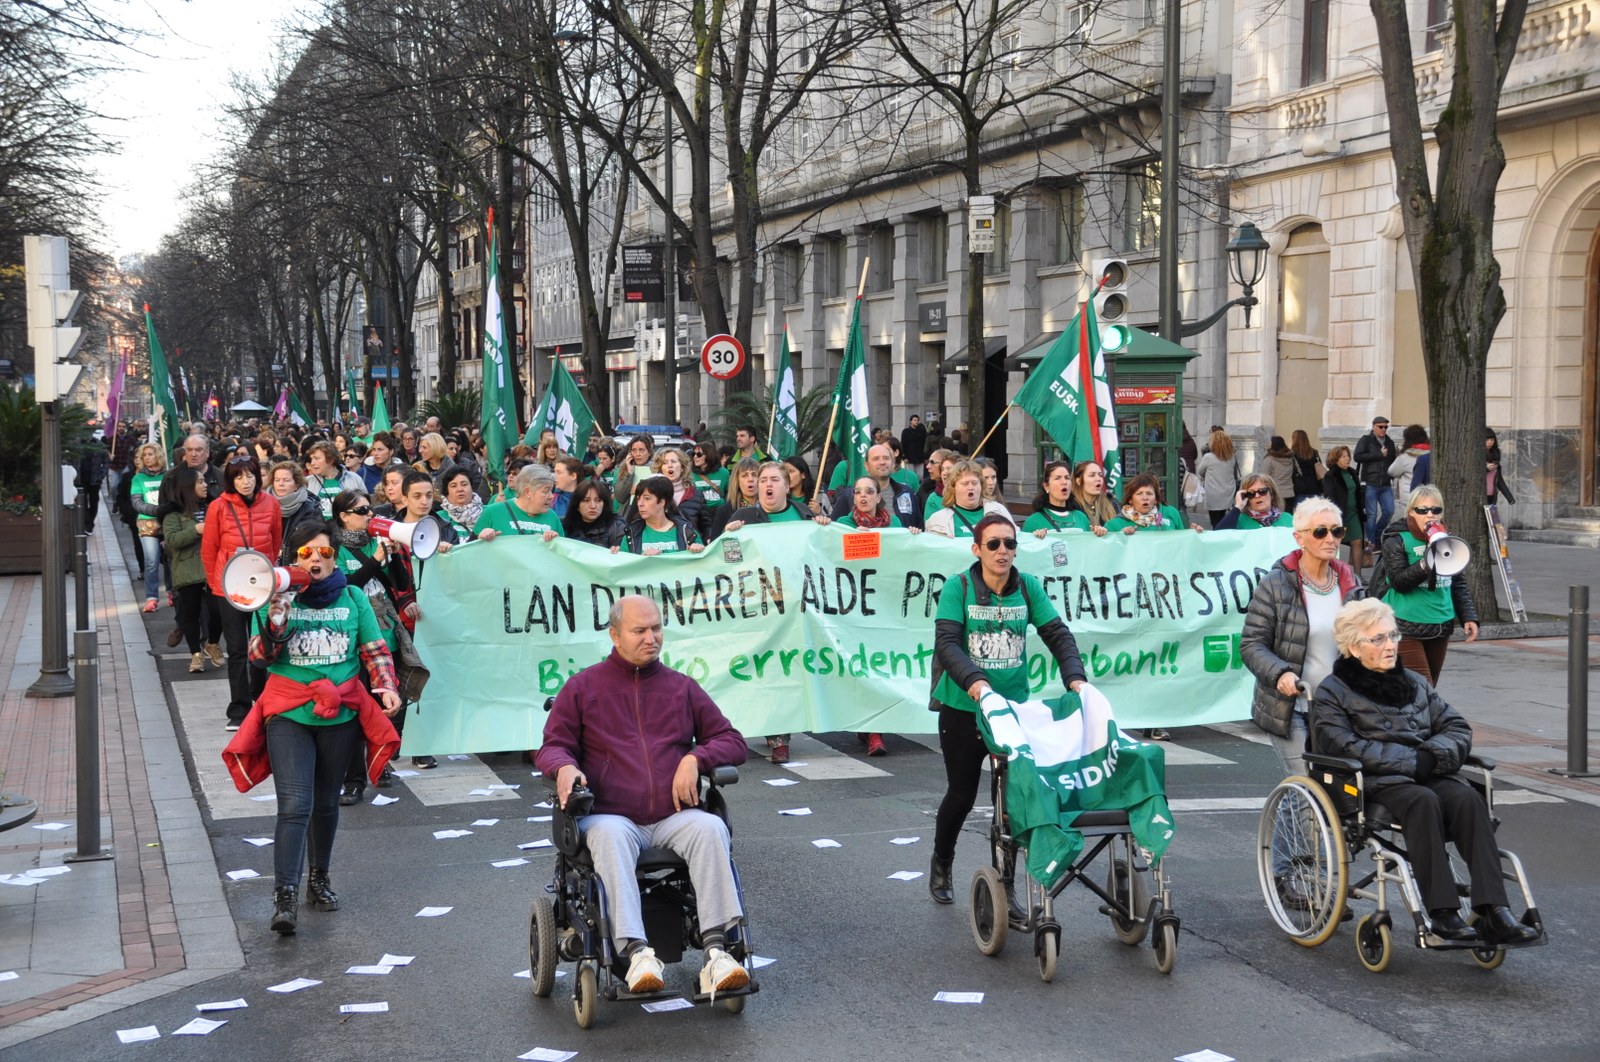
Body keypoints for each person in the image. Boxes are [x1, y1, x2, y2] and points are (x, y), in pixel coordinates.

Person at [536, 595, 752, 996]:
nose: (651, 638)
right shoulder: (583, 688)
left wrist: (696, 758)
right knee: (611, 836)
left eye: (656, 628)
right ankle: (637, 955)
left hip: (673, 815)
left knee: (710, 829)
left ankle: (718, 953)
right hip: (611, 814)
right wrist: (563, 766)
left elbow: (732, 740)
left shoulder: (681, 688)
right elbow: (552, 747)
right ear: (615, 635)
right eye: (640, 630)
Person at [1309, 599, 1538, 946]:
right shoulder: (1332, 691)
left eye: (1392, 636)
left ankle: (1494, 910)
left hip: (1426, 771)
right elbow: (1345, 747)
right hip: (1373, 781)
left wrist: (1433, 756)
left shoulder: (1415, 683)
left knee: (1468, 798)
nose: (1390, 645)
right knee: (1422, 801)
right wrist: (1413, 762)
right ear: (1354, 647)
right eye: (1378, 639)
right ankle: (1443, 913)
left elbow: (1456, 727)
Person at [227, 522, 403, 934]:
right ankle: (284, 895)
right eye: (306, 553)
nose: (316, 560)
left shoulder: (353, 597)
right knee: (295, 804)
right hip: (288, 713)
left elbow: (374, 649)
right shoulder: (272, 593)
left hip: (339, 716)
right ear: (293, 557)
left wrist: (386, 686)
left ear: (335, 558)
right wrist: (279, 613)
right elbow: (260, 657)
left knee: (325, 803)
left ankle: (318, 879)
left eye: (324, 552)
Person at [929, 513, 1087, 910]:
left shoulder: (1028, 587)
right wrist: (977, 683)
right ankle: (942, 861)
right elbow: (947, 643)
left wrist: (1075, 679)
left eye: (1010, 544)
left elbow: (1057, 635)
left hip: (1012, 712)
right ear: (977, 549)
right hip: (964, 709)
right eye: (994, 544)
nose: (1003, 551)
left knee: (1010, 803)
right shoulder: (958, 587)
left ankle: (1006, 884)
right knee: (961, 795)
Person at [1241, 498, 1362, 909]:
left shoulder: (1349, 580)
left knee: (1323, 790)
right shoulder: (1277, 585)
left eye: (1337, 531)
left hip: (1338, 709)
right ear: (1300, 538)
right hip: (1290, 705)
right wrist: (1281, 673)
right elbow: (1251, 644)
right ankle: (1308, 878)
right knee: (1306, 785)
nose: (1331, 539)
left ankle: (1295, 870)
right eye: (1320, 531)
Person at [330, 490, 419, 801]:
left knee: (386, 706)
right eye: (361, 510)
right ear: (343, 516)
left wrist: (392, 556)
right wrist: (376, 559)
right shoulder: (334, 547)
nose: (370, 514)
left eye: (370, 508)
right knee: (355, 710)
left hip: (386, 635)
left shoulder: (377, 541)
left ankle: (380, 764)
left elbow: (402, 583)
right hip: (354, 640)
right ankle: (353, 780)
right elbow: (345, 587)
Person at [202, 455, 284, 731]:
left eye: (249, 475)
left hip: (261, 585)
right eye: (238, 476)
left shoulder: (271, 503)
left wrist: (266, 573)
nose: (245, 481)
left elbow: (275, 542)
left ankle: (261, 700)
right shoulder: (218, 507)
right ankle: (238, 708)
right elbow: (209, 549)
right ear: (230, 480)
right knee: (236, 648)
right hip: (229, 587)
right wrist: (216, 584)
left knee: (261, 645)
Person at [1377, 485, 1479, 685]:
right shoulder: (1396, 539)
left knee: (1427, 689)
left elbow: (1457, 582)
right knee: (1422, 687)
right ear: (1411, 512)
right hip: (1405, 623)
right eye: (1422, 510)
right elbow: (1399, 582)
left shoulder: (1449, 539)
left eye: (1436, 509)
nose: (1430, 515)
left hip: (1440, 622)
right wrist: (1426, 563)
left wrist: (1469, 616)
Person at [160, 466, 222, 674]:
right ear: (187, 486)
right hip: (187, 569)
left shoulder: (214, 507)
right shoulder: (173, 514)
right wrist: (196, 529)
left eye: (205, 481)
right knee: (190, 613)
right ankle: (195, 653)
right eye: (200, 482)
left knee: (218, 611)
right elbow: (172, 540)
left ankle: (212, 643)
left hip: (213, 568)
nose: (205, 485)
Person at [828, 443, 922, 529]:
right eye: (876, 459)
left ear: (892, 463)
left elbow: (919, 527)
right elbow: (834, 530)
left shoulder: (906, 492)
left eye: (886, 458)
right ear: (866, 465)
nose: (882, 462)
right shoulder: (848, 496)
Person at [617, 476, 705, 555]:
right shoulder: (632, 533)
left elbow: (701, 564)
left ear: (662, 502)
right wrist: (642, 559)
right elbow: (625, 565)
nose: (640, 504)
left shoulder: (686, 531)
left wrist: (698, 551)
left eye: (647, 498)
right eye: (638, 499)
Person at [924, 459, 1012, 538]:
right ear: (953, 487)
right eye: (965, 484)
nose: (971, 487)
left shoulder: (999, 510)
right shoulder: (939, 519)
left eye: (974, 483)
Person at [474, 464, 563, 542]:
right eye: (546, 491)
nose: (551, 496)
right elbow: (470, 549)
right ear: (527, 492)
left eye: (551, 490)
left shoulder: (552, 517)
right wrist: (481, 538)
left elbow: (563, 553)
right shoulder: (493, 512)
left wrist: (556, 542)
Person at [130, 443, 168, 613]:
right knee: (152, 561)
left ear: (158, 455)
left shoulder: (168, 476)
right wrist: (156, 510)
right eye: (144, 455)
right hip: (148, 524)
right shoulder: (138, 478)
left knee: (170, 559)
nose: (147, 457)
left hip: (167, 522)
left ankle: (172, 591)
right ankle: (151, 597)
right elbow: (137, 502)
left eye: (150, 454)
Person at [1352, 416, 1397, 556]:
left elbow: (1393, 461)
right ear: (1373, 427)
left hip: (1385, 484)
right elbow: (1357, 456)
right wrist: (1378, 454)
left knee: (1389, 511)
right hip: (1370, 482)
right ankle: (1371, 542)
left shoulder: (1390, 442)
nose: (1383, 429)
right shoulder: (1366, 440)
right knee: (1371, 515)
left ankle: (1377, 535)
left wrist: (1392, 476)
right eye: (1381, 427)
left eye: (1386, 427)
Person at [1321, 446, 1366, 571]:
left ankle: (1357, 575)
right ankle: (1333, 573)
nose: (1347, 459)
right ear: (1335, 460)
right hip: (1339, 515)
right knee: (1336, 543)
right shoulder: (1331, 475)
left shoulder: (1352, 473)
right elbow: (1329, 496)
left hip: (1354, 513)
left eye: (1348, 456)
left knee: (1357, 542)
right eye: (1343, 457)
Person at [1105, 473, 1194, 534]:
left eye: (1149, 493)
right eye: (1139, 494)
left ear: (1156, 499)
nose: (1145, 498)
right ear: (1130, 499)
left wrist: (1193, 534)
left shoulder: (1169, 518)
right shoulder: (1113, 525)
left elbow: (1182, 546)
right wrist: (1122, 537)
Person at [1212, 473, 1295, 530]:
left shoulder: (1288, 518)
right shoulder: (1239, 521)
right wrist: (1238, 506)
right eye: (1251, 493)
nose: (1257, 496)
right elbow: (1220, 535)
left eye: (1262, 491)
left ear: (1272, 494)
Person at [269, 462, 327, 544]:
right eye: (277, 480)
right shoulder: (264, 505)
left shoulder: (311, 508)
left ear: (297, 484)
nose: (281, 484)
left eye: (286, 480)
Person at [306, 440, 363, 518]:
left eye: (317, 458)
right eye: (312, 459)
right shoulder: (307, 482)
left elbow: (364, 507)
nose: (312, 463)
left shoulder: (354, 479)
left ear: (330, 459)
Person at [1195, 429, 1240, 528]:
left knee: (1215, 521)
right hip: (1228, 493)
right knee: (1223, 519)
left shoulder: (1208, 457)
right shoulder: (1231, 457)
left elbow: (1200, 471)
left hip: (1213, 494)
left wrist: (1207, 476)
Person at [563, 478, 626, 548]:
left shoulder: (617, 527)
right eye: (586, 500)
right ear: (577, 505)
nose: (593, 506)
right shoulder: (565, 526)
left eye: (598, 500)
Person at [710, 457, 762, 539]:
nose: (750, 479)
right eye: (744, 475)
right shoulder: (724, 510)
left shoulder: (770, 507)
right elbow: (714, 543)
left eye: (755, 475)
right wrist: (726, 531)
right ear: (737, 481)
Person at [1022, 460, 1077, 535]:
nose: (1064, 482)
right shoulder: (1033, 522)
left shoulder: (1081, 518)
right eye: (1057, 478)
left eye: (1067, 478)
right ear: (1046, 486)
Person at [834, 475, 906, 530]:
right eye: (857, 492)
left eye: (869, 491)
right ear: (854, 499)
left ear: (878, 498)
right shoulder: (844, 524)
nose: (863, 495)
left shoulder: (894, 522)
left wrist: (911, 534)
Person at [1387, 424, 1430, 499]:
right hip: (1428, 494)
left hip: (1409, 495)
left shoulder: (1405, 457)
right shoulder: (1431, 455)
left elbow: (1391, 471)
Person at [1255, 435, 1296, 505]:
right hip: (1290, 492)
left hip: (1275, 493)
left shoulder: (1269, 459)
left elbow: (1264, 477)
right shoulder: (1290, 458)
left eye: (1270, 443)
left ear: (1273, 445)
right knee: (1288, 512)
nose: (1268, 445)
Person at [1288, 429, 1324, 510]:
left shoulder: (1292, 454)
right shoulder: (1314, 452)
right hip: (1314, 487)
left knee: (1301, 513)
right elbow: (1319, 466)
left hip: (1299, 488)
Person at [689, 444, 728, 509]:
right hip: (699, 511)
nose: (695, 457)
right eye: (693, 454)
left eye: (699, 454)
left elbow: (731, 493)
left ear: (709, 455)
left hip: (720, 510)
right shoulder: (690, 474)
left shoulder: (724, 472)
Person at [1484, 429, 1515, 506]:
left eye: (1492, 440)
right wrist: (1486, 468)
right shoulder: (1476, 456)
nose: (1489, 442)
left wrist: (1509, 498)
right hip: (1478, 495)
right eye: (1487, 440)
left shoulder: (1495, 457)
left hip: (1492, 496)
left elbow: (1499, 480)